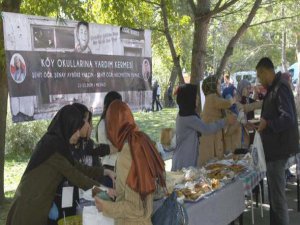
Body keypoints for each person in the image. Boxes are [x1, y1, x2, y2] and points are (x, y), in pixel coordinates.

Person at [6, 105, 111, 225]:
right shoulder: (53, 148)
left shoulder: (58, 145)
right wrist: (104, 192)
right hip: (29, 209)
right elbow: (77, 177)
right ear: (67, 127)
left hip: (35, 204)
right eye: (75, 130)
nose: (78, 134)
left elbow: (77, 167)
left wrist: (104, 172)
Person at [94, 100, 165, 225]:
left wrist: (105, 207)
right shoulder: (142, 141)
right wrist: (121, 191)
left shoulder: (127, 153)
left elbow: (135, 208)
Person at [256, 57, 299, 225]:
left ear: (267, 71)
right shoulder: (274, 87)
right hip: (274, 151)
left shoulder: (280, 88)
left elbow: (287, 118)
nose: (259, 79)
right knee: (274, 199)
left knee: (278, 201)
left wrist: (268, 123)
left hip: (278, 150)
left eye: (260, 75)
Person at [172, 83, 236, 171]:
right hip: (184, 161)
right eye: (196, 97)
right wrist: (226, 121)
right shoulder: (189, 118)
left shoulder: (184, 114)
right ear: (189, 99)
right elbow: (207, 129)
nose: (198, 99)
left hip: (183, 157)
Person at [198, 76, 235, 166]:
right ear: (212, 86)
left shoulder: (213, 97)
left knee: (214, 158)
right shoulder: (212, 97)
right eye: (218, 84)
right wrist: (232, 99)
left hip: (213, 129)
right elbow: (226, 103)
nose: (220, 86)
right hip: (210, 133)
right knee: (210, 159)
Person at [96, 91, 122, 172]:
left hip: (119, 164)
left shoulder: (118, 121)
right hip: (110, 166)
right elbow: (108, 148)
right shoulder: (103, 124)